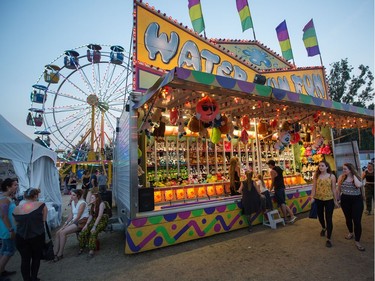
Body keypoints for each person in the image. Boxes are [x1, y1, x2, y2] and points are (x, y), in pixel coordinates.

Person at [13, 188, 47, 281]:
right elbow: (43, 220)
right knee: (36, 258)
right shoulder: (41, 204)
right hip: (36, 235)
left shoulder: (16, 208)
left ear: (25, 196)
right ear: (35, 196)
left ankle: (27, 279)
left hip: (20, 237)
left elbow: (16, 224)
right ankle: (34, 278)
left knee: (25, 260)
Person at [53, 189, 89, 261]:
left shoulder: (82, 203)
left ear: (78, 196)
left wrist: (68, 225)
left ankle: (60, 253)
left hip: (81, 221)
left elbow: (78, 216)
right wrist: (66, 223)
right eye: (71, 194)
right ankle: (55, 253)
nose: (71, 196)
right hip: (75, 221)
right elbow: (72, 214)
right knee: (58, 233)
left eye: (73, 195)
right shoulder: (73, 202)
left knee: (63, 232)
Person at [337, 163, 365, 251]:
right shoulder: (341, 177)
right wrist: (338, 199)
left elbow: (359, 185)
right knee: (348, 218)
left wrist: (354, 175)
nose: (343, 170)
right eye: (343, 169)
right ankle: (350, 232)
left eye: (345, 169)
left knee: (356, 220)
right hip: (345, 199)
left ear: (350, 169)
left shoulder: (355, 177)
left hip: (356, 200)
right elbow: (338, 189)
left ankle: (357, 241)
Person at [310, 161, 339, 248]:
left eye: (322, 166)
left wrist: (335, 200)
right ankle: (323, 227)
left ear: (327, 167)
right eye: (319, 166)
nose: (320, 167)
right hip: (318, 199)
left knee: (328, 218)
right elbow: (314, 187)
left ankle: (329, 239)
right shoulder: (316, 176)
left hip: (329, 199)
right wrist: (312, 197)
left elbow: (334, 189)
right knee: (320, 216)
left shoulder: (332, 176)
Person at [78, 193, 109, 258]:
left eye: (92, 198)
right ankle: (82, 247)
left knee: (93, 232)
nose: (90, 199)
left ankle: (91, 250)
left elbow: (100, 216)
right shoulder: (92, 205)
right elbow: (91, 216)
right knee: (83, 231)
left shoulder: (101, 204)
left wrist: (94, 227)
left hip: (102, 220)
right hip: (95, 219)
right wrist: (86, 225)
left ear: (97, 198)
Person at [0, 178, 18, 278]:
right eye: (15, 185)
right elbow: (4, 216)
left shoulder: (7, 197)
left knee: (4, 249)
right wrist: (10, 229)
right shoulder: (4, 199)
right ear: (8, 187)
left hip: (7, 228)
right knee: (9, 250)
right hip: (7, 229)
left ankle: (2, 270)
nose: (17, 187)